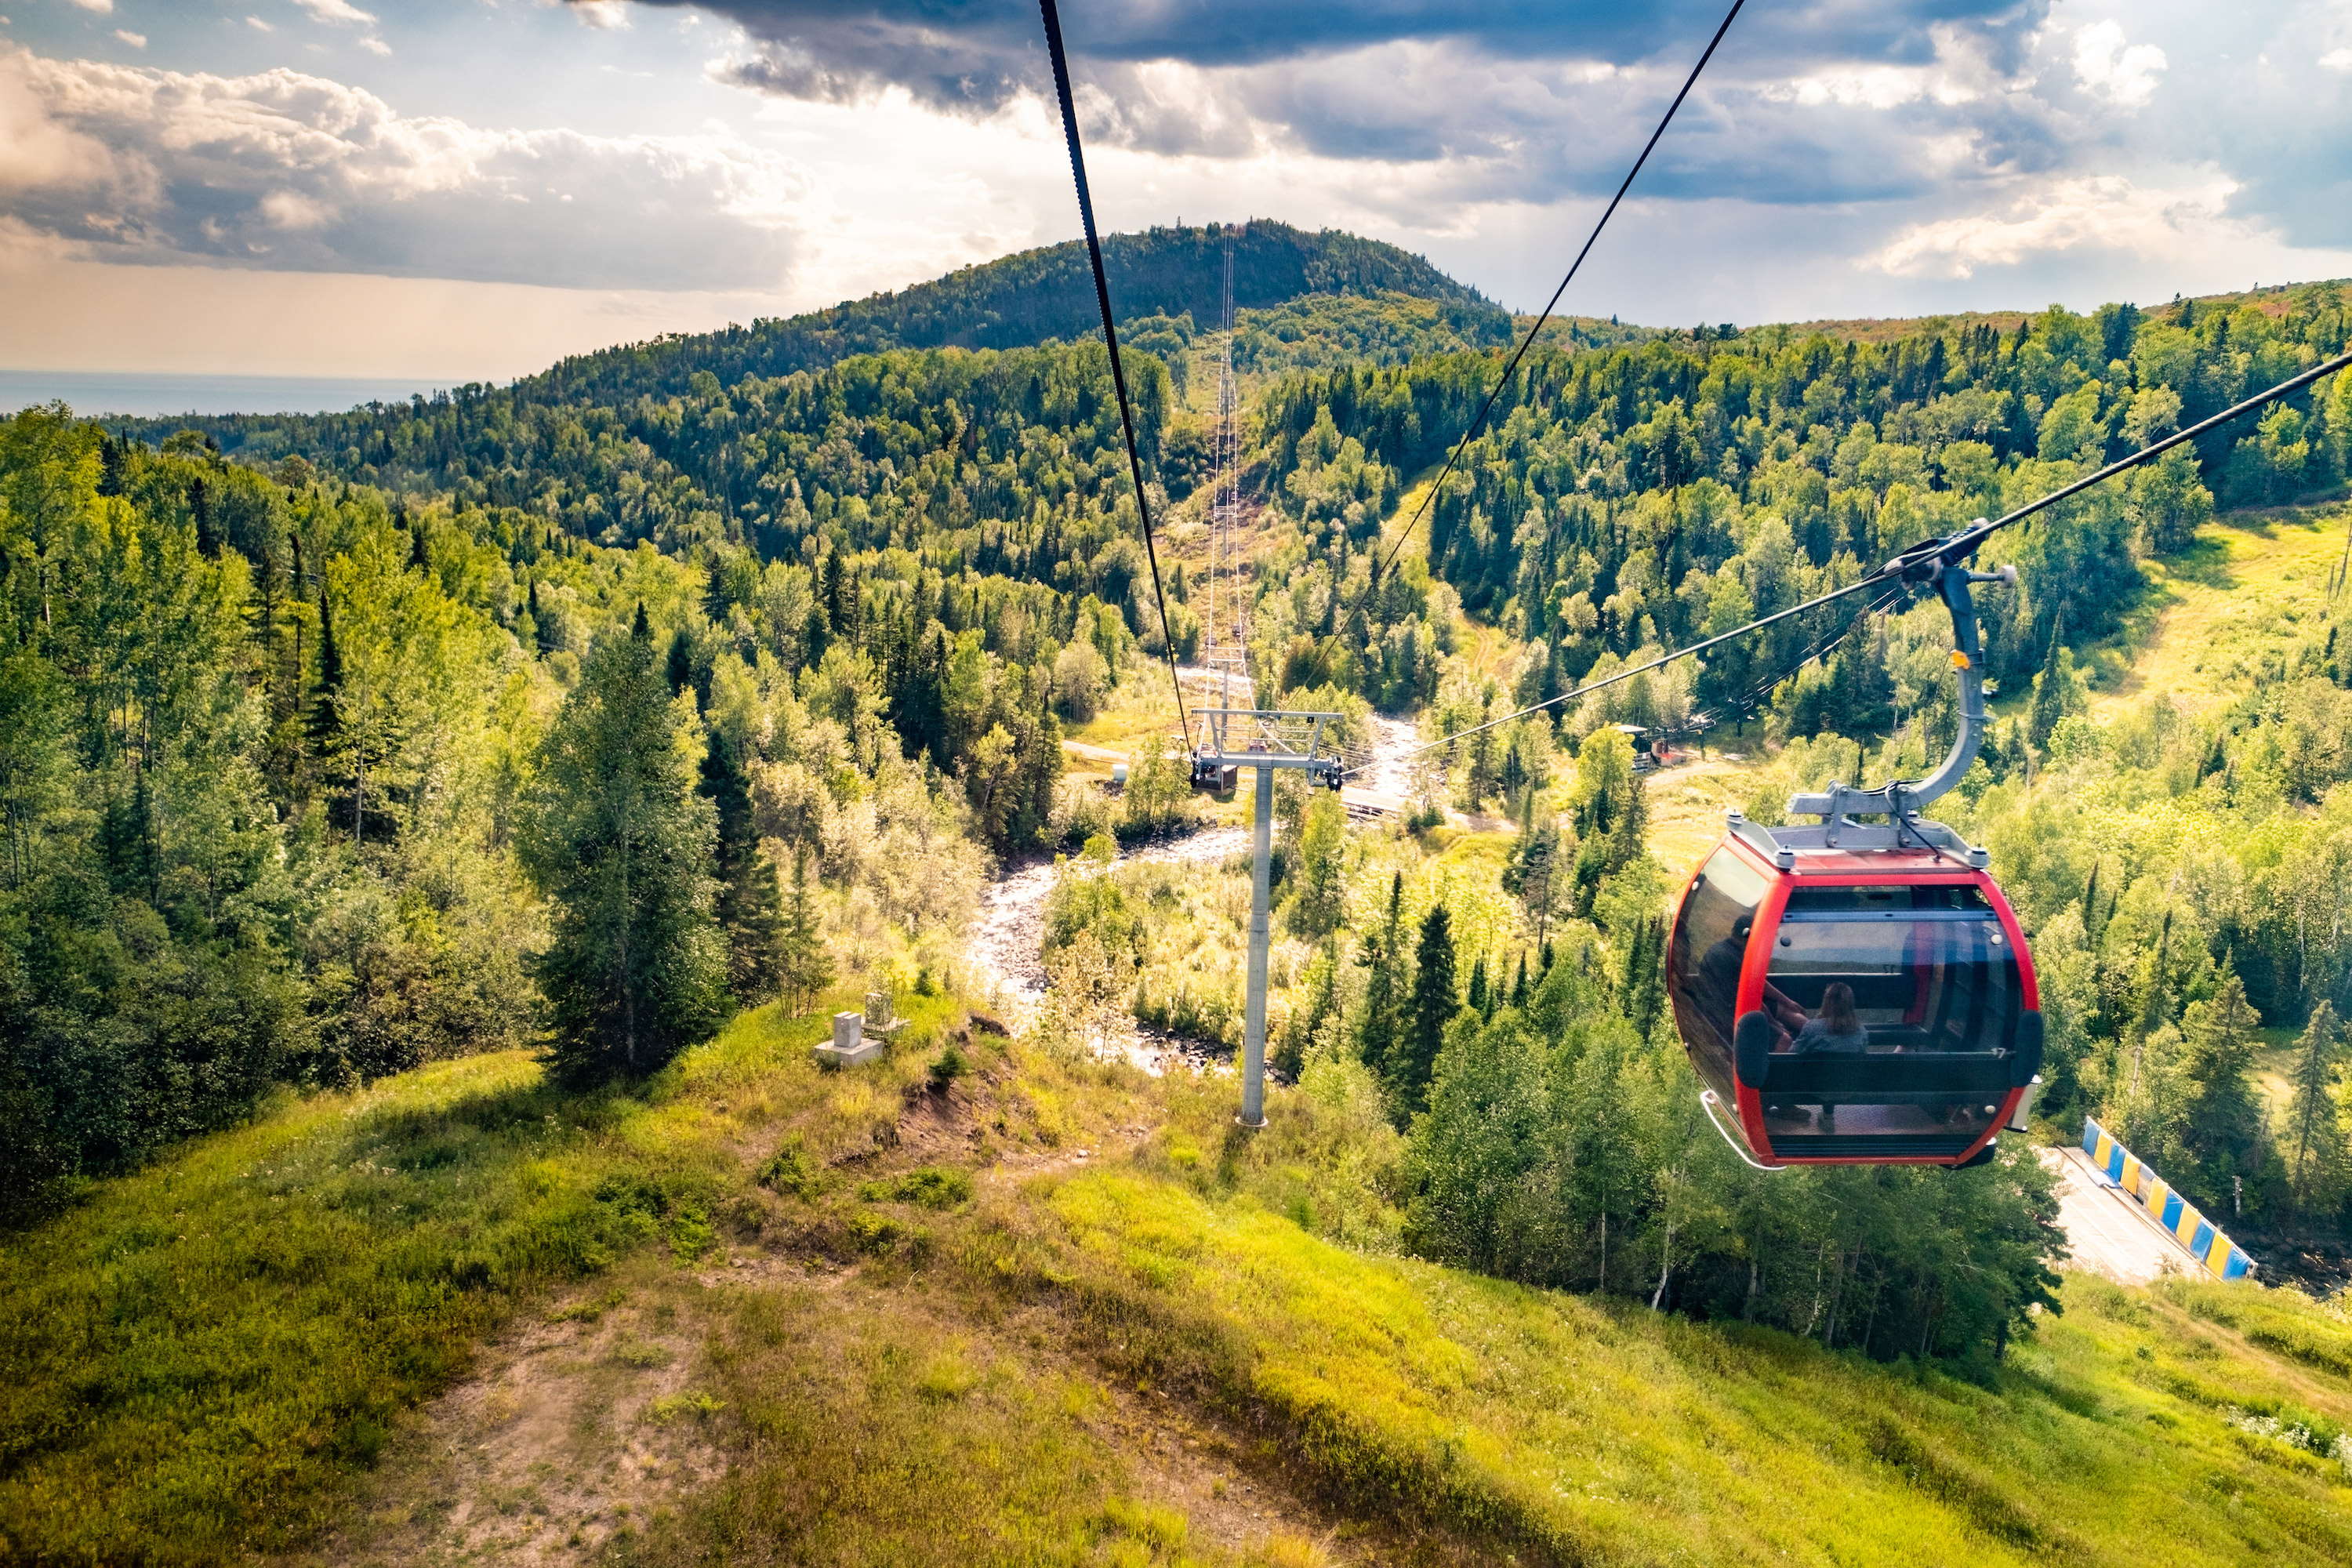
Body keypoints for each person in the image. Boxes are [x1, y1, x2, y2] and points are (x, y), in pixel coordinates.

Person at [1795, 982, 1868, 1054]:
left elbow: (1794, 1052)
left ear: (1826, 1002)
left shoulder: (1812, 1027)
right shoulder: (1861, 1031)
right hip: (1849, 1066)